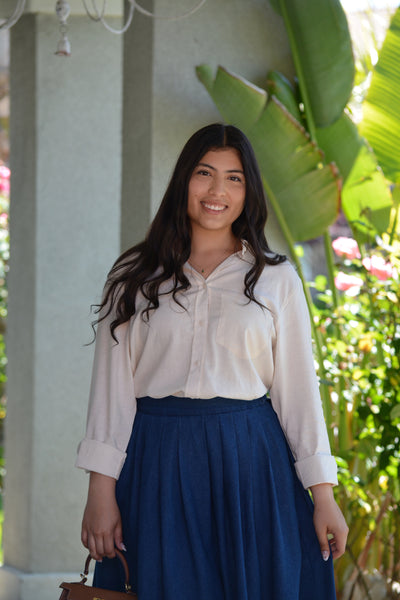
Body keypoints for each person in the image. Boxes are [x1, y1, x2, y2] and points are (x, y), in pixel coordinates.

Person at [76, 123, 348, 600]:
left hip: (252, 463)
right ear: (184, 180)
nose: (217, 191)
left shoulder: (276, 278)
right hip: (157, 461)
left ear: (248, 191)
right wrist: (101, 490)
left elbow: (299, 393)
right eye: (204, 173)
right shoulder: (133, 276)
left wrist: (322, 494)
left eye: (234, 178)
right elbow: (110, 392)